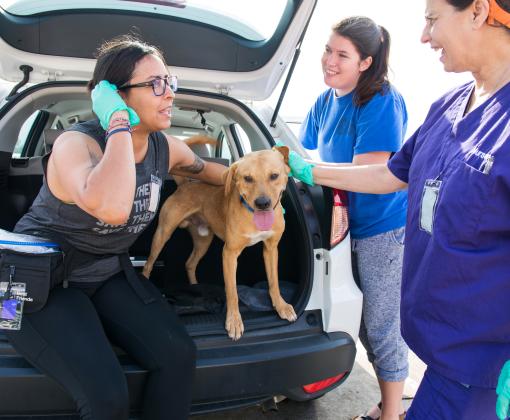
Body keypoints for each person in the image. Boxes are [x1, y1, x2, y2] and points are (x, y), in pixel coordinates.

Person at [289, 1, 510, 419]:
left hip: (486, 371)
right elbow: (390, 174)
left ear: (479, 12)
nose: (424, 37)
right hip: (441, 357)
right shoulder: (448, 106)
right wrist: (308, 170)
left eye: (431, 20)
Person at [5, 35, 226, 420]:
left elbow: (214, 173)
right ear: (114, 95)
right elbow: (112, 207)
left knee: (178, 355)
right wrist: (118, 124)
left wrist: (274, 177)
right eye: (156, 84)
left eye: (169, 82)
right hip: (25, 282)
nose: (169, 93)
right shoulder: (76, 144)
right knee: (106, 395)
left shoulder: (165, 147)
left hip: (104, 269)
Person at [298, 16, 409, 420]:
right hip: (341, 231)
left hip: (381, 230)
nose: (329, 60)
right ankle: (388, 408)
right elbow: (301, 148)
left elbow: (370, 175)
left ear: (365, 62)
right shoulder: (326, 100)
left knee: (380, 327)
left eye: (342, 54)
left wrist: (309, 170)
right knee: (361, 325)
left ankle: (392, 414)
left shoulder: (379, 100)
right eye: (328, 49)